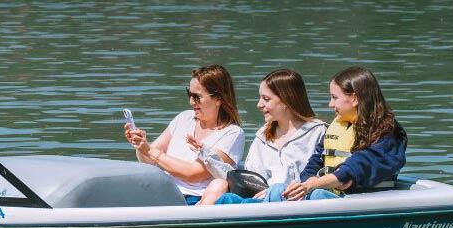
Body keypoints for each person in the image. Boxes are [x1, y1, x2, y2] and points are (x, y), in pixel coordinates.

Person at [264, 66, 407, 202]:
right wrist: (309, 180)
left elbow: (358, 165)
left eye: (334, 97)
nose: (330, 104)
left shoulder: (387, 134)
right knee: (277, 190)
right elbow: (316, 160)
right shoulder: (339, 126)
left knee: (317, 195)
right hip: (331, 194)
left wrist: (314, 185)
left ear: (354, 99)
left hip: (360, 201)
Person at [198, 69, 325, 205]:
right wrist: (208, 156)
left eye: (266, 99)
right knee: (227, 199)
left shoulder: (318, 132)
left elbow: (321, 178)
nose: (259, 105)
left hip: (297, 203)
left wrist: (273, 192)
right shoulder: (262, 136)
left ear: (286, 100)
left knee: (276, 190)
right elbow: (249, 181)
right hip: (261, 203)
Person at [125, 64, 244, 205]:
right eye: (190, 94)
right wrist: (140, 145)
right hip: (164, 191)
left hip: (196, 199)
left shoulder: (232, 133)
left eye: (197, 97)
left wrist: (150, 151)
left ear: (218, 99)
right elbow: (148, 161)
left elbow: (193, 173)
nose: (191, 101)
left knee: (219, 184)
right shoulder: (184, 118)